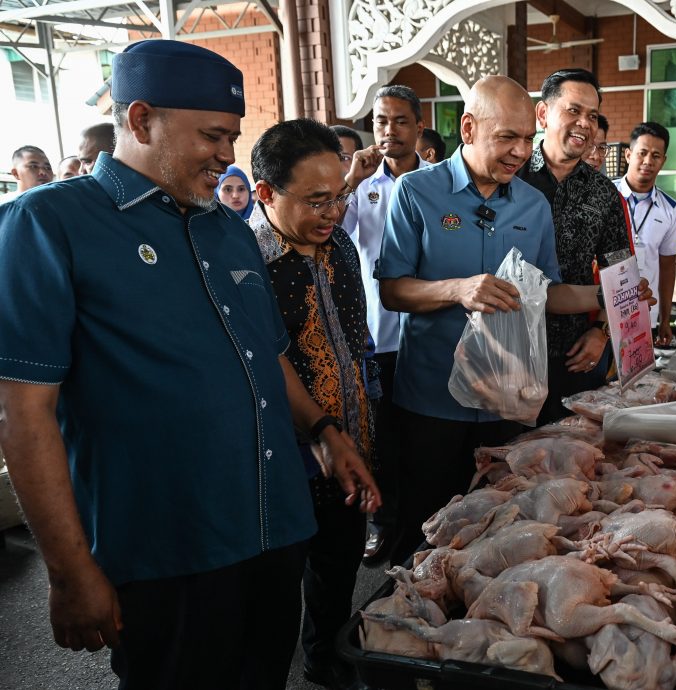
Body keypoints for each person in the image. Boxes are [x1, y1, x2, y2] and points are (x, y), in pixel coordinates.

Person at [0, 40, 379, 690]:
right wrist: (67, 569)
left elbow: (269, 356)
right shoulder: (48, 224)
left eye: (233, 135)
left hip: (273, 526)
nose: (227, 155)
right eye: (211, 135)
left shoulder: (225, 228)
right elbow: (23, 410)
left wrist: (322, 431)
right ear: (142, 120)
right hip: (169, 545)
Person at [379, 75, 650, 563]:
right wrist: (458, 289)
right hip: (431, 398)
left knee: (497, 531)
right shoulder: (415, 192)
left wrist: (613, 296)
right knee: (423, 530)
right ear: (467, 129)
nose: (521, 152)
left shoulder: (531, 203)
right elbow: (393, 290)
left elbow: (544, 295)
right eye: (507, 137)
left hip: (507, 399)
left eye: (527, 139)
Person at [249, 118, 383, 689]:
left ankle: (325, 660)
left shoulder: (340, 245)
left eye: (339, 197)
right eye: (316, 201)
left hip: (351, 439)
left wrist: (368, 414)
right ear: (265, 194)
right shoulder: (247, 266)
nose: (333, 213)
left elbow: (357, 340)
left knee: (339, 566)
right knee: (275, 588)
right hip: (284, 458)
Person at [342, 84, 431, 564]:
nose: (388, 130)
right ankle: (385, 525)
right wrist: (350, 181)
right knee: (383, 438)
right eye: (380, 121)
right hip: (378, 336)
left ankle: (425, 525)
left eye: (399, 120)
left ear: (418, 127)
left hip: (430, 333)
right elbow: (332, 233)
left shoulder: (437, 183)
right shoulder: (365, 186)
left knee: (424, 435)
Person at [516, 68, 633, 425]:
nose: (585, 123)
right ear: (543, 114)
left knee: (575, 460)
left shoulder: (603, 193)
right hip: (509, 350)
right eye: (573, 111)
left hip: (577, 353)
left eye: (592, 115)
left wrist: (601, 334)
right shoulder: (511, 178)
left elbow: (621, 273)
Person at [614, 122, 676, 346]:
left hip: (645, 311)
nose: (648, 161)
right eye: (642, 153)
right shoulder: (605, 196)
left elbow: (667, 266)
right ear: (628, 154)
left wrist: (665, 319)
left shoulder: (671, 209)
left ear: (663, 161)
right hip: (602, 306)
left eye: (656, 155)